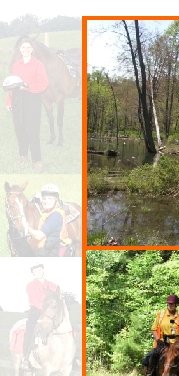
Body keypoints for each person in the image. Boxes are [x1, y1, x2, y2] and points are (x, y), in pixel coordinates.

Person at [5, 37, 48, 171]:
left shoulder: (38, 64)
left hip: (32, 98)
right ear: (20, 49)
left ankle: (37, 160)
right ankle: (23, 156)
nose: (26, 49)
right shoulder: (16, 65)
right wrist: (8, 101)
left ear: (32, 49)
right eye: (23, 47)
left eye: (28, 47)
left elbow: (44, 83)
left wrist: (28, 87)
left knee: (32, 130)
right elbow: (11, 85)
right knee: (19, 129)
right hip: (18, 99)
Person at [24, 264, 59, 369]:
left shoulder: (51, 284)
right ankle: (25, 357)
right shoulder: (30, 285)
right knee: (30, 329)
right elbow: (34, 300)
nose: (38, 272)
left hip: (49, 310)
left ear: (43, 270)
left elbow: (57, 293)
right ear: (33, 274)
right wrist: (45, 308)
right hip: (36, 310)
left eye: (40, 270)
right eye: (35, 271)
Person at [27, 183, 73, 256]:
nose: (46, 201)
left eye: (50, 199)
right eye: (44, 199)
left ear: (56, 200)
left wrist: (26, 227)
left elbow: (39, 236)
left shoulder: (56, 216)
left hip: (51, 254)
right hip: (45, 251)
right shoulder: (46, 214)